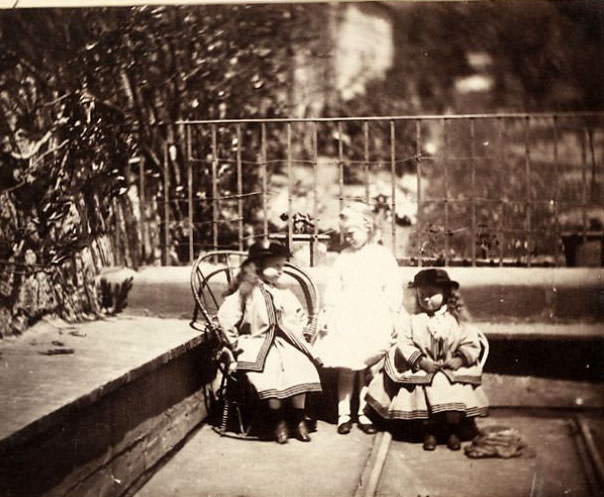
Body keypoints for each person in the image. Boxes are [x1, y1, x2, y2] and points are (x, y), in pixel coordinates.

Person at [365, 268, 489, 451]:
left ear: (446, 294)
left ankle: (451, 430)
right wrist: (421, 361)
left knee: (450, 385)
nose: (426, 299)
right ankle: (430, 431)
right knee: (430, 385)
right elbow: (404, 343)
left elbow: (470, 342)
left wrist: (459, 359)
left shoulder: (457, 320)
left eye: (431, 295)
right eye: (422, 295)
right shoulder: (413, 321)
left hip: (451, 367)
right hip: (424, 367)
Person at [217, 241, 322, 444]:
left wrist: (302, 330)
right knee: (267, 369)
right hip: (256, 342)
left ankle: (298, 418)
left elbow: (297, 315)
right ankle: (278, 420)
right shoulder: (245, 291)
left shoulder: (283, 291)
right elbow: (226, 317)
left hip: (284, 341)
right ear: (257, 266)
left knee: (299, 363)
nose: (281, 271)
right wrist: (233, 343)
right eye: (276, 266)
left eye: (283, 266)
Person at [314, 202, 405, 435]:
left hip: (373, 317)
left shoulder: (382, 256)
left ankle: (364, 413)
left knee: (366, 366)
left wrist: (393, 313)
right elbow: (334, 288)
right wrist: (328, 310)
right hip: (347, 318)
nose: (348, 239)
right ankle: (343, 412)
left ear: (367, 227)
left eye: (352, 233)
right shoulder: (344, 256)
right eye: (345, 235)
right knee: (346, 367)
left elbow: (392, 288)